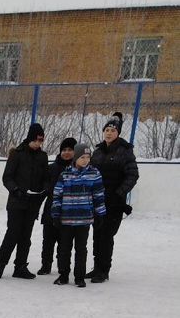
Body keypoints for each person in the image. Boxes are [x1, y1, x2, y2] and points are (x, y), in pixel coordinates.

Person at [0, 123, 50, 279]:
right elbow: (7, 177)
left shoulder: (42, 157)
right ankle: (0, 265)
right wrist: (17, 191)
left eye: (40, 141)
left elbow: (46, 179)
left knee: (26, 237)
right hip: (16, 203)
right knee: (13, 234)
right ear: (30, 138)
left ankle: (20, 266)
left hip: (33, 203)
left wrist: (43, 191)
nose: (38, 144)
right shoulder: (17, 154)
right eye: (36, 140)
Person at [88, 112, 139, 283]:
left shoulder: (125, 151)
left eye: (112, 130)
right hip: (97, 201)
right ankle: (96, 267)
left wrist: (119, 193)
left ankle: (104, 270)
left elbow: (132, 175)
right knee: (97, 234)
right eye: (107, 130)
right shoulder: (98, 151)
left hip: (114, 202)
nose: (109, 133)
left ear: (118, 133)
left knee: (106, 236)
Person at [51, 143, 106, 287]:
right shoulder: (65, 174)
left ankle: (79, 277)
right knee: (64, 249)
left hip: (84, 220)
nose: (86, 160)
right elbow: (57, 195)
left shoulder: (94, 174)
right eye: (82, 157)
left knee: (81, 249)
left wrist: (100, 215)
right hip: (67, 219)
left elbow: (99, 196)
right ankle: (63, 275)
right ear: (75, 157)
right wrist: (56, 214)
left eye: (88, 157)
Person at [37, 137, 77, 275]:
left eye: (70, 150)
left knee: (65, 242)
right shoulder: (51, 168)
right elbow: (44, 186)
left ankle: (63, 266)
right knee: (48, 240)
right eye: (64, 150)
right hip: (51, 209)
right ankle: (45, 265)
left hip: (69, 211)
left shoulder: (77, 169)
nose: (66, 153)